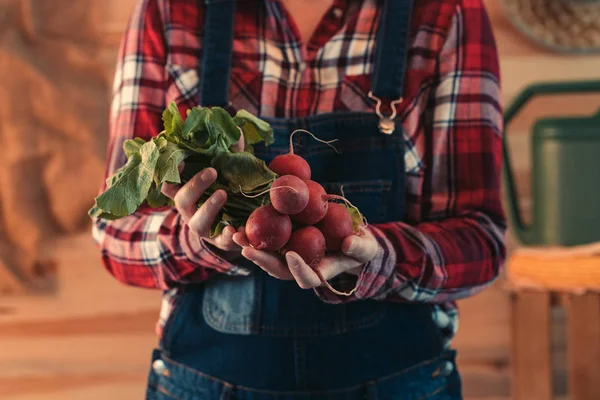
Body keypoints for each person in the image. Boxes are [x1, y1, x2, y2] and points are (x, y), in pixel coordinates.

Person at [92, 0, 506, 398]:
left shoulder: (443, 11)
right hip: (206, 385)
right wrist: (196, 242)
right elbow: (115, 232)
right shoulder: (170, 11)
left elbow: (480, 242)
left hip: (398, 385)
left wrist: (380, 257)